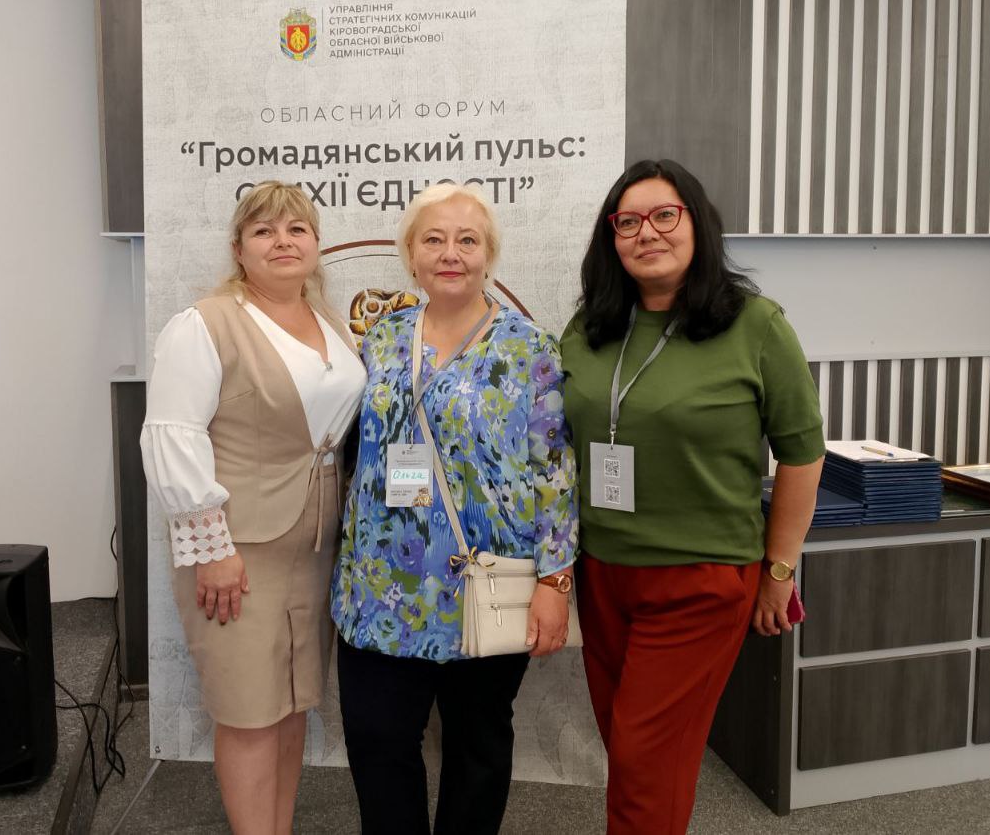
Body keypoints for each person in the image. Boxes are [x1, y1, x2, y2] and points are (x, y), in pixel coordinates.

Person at [560, 159, 825, 834]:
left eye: (663, 215)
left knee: (644, 763)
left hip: (700, 577)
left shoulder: (756, 326)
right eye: (628, 222)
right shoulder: (589, 330)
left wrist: (780, 570)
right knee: (630, 751)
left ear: (697, 224)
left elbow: (802, 453)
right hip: (602, 573)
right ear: (611, 238)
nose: (646, 233)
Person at [331, 182, 579, 835]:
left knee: (478, 748)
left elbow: (554, 471)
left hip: (486, 581)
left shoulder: (529, 348)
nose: (451, 253)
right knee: (379, 743)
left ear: (488, 255)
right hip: (383, 587)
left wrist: (556, 582)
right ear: (410, 255)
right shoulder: (381, 339)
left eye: (467, 240)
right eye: (434, 239)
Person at [141, 181, 366, 835]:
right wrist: (213, 550)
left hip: (316, 545)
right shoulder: (205, 324)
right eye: (264, 231)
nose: (282, 241)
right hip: (238, 548)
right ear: (239, 249)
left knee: (291, 706)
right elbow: (172, 436)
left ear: (316, 244)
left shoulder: (330, 324)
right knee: (248, 714)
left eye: (297, 229)